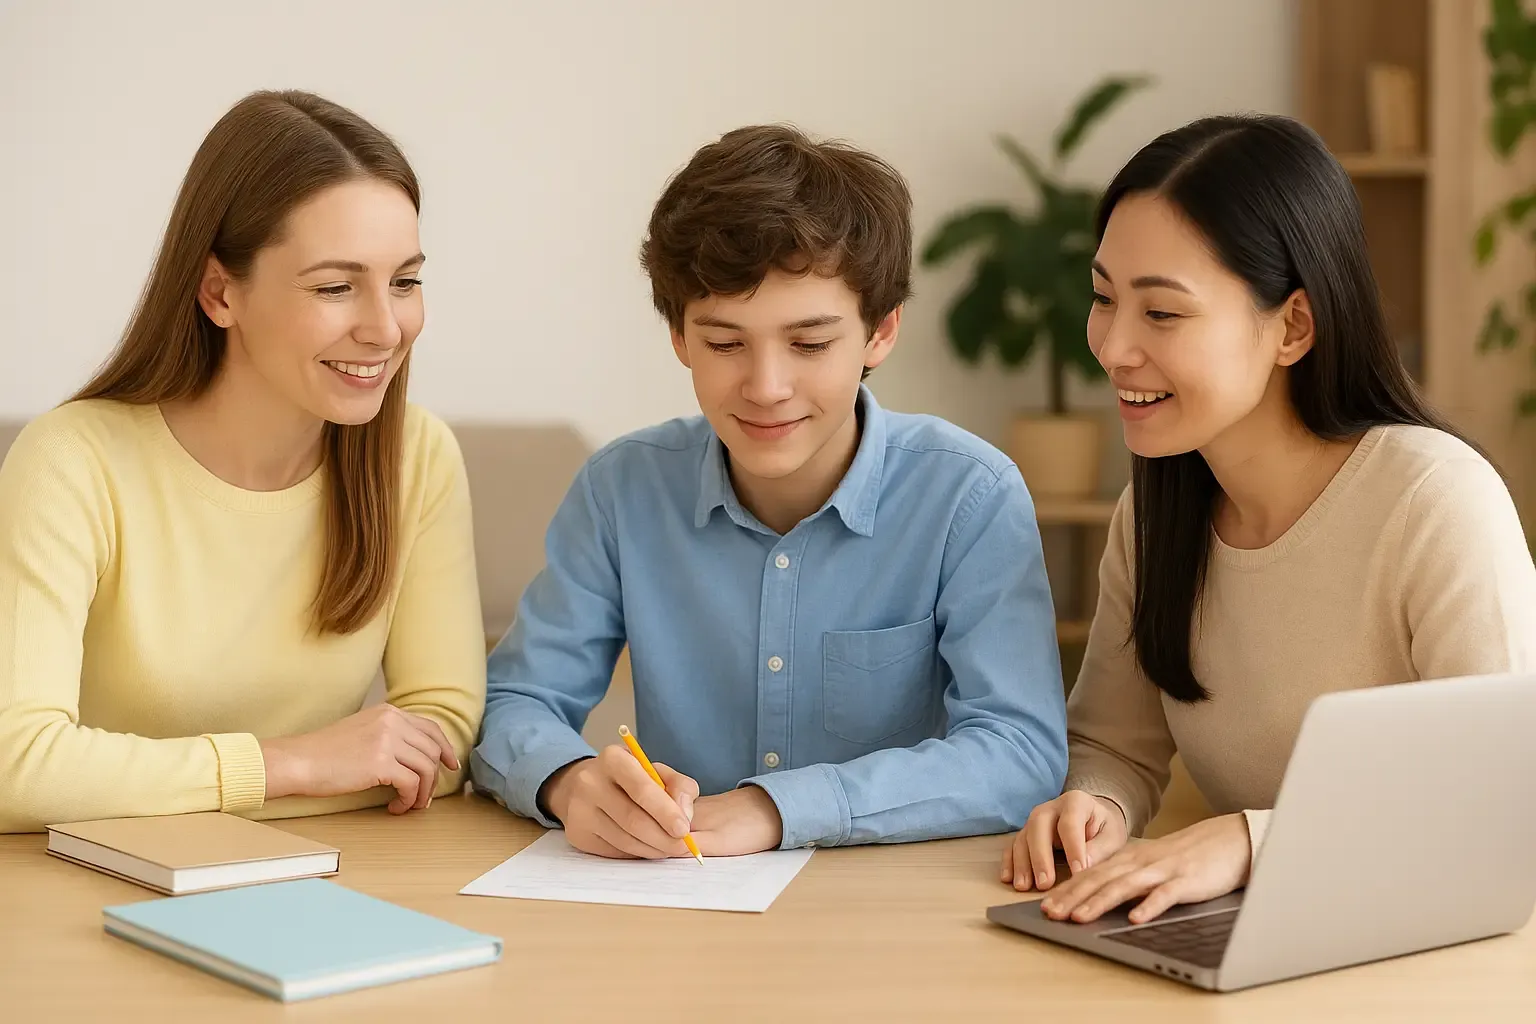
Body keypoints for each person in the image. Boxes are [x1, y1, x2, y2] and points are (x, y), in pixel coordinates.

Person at [471, 124, 1067, 858]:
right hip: (680, 902)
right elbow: (513, 701)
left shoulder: (968, 497)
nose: (766, 387)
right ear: (679, 337)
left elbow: (1020, 752)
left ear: (880, 333)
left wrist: (777, 809)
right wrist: (567, 780)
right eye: (725, 344)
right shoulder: (622, 489)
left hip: (892, 906)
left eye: (810, 344)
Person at [1001, 113, 1536, 924]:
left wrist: (1251, 842)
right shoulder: (1153, 512)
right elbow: (1115, 746)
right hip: (1270, 935)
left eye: (1163, 314)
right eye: (1105, 299)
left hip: (1443, 946)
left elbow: (1498, 804)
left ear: (1292, 325)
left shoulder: (1435, 501)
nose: (1111, 348)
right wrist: (1093, 810)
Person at [0, 90, 486, 832]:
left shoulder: (416, 458)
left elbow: (443, 736)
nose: (386, 328)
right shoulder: (72, 463)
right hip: (80, 889)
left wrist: (245, 784)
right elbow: (17, 768)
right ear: (220, 292)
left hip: (319, 881)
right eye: (335, 287)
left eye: (406, 281)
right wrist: (291, 764)